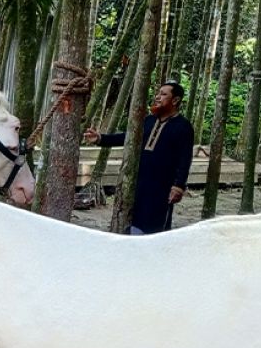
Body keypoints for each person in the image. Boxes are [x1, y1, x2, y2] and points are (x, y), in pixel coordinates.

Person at [83, 81, 194, 234]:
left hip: (162, 186)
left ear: (175, 100)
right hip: (139, 181)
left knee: (156, 224)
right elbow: (127, 137)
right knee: (134, 219)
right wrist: (100, 139)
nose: (157, 97)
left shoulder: (183, 127)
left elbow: (185, 158)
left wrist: (179, 186)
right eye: (158, 93)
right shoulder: (148, 121)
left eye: (163, 94)